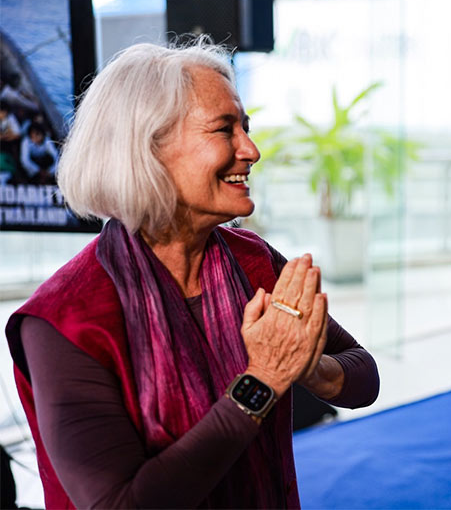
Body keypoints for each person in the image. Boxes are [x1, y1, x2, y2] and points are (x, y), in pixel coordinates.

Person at [5, 40, 380, 508]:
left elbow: (364, 375)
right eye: (224, 130)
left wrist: (309, 368)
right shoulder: (65, 318)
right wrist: (262, 380)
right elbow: (118, 503)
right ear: (148, 150)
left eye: (246, 127)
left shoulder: (253, 261)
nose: (251, 150)